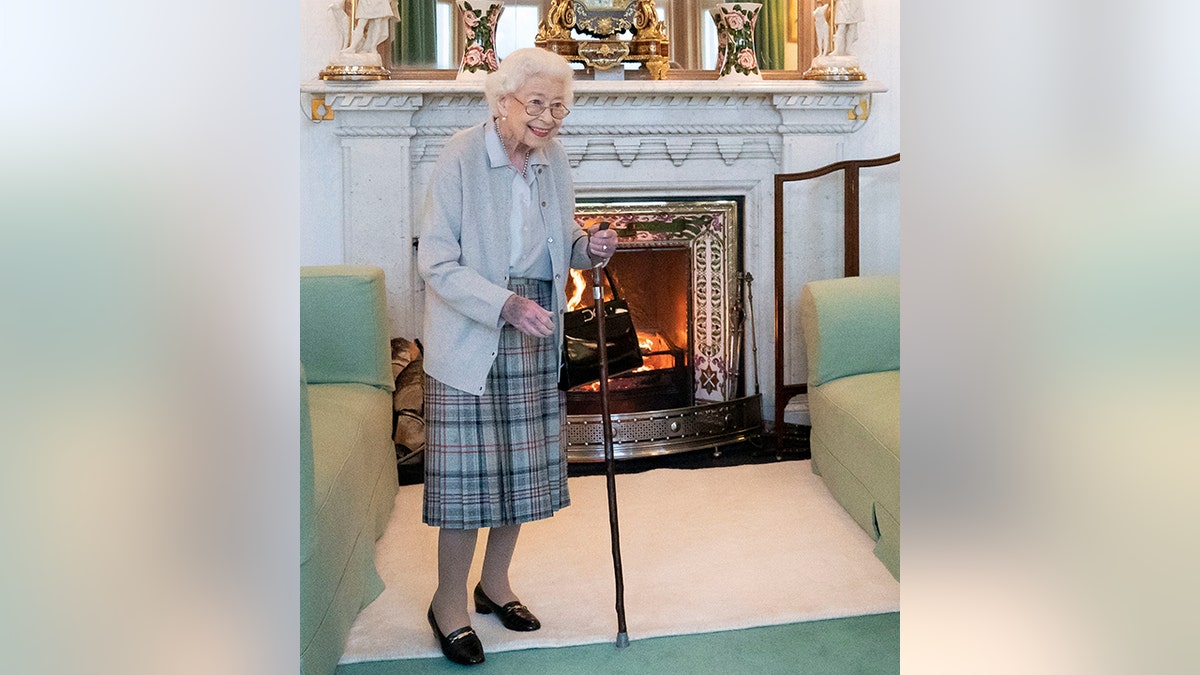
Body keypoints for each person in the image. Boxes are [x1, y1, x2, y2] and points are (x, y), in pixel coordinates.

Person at [416, 47, 617, 667]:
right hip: (476, 327)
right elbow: (436, 262)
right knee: (467, 485)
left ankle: (494, 585)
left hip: (535, 328)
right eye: (537, 103)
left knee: (521, 475)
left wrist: (592, 246)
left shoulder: (552, 159)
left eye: (559, 106)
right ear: (501, 101)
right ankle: (448, 603)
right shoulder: (459, 157)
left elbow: (557, 247)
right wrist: (502, 305)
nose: (549, 117)